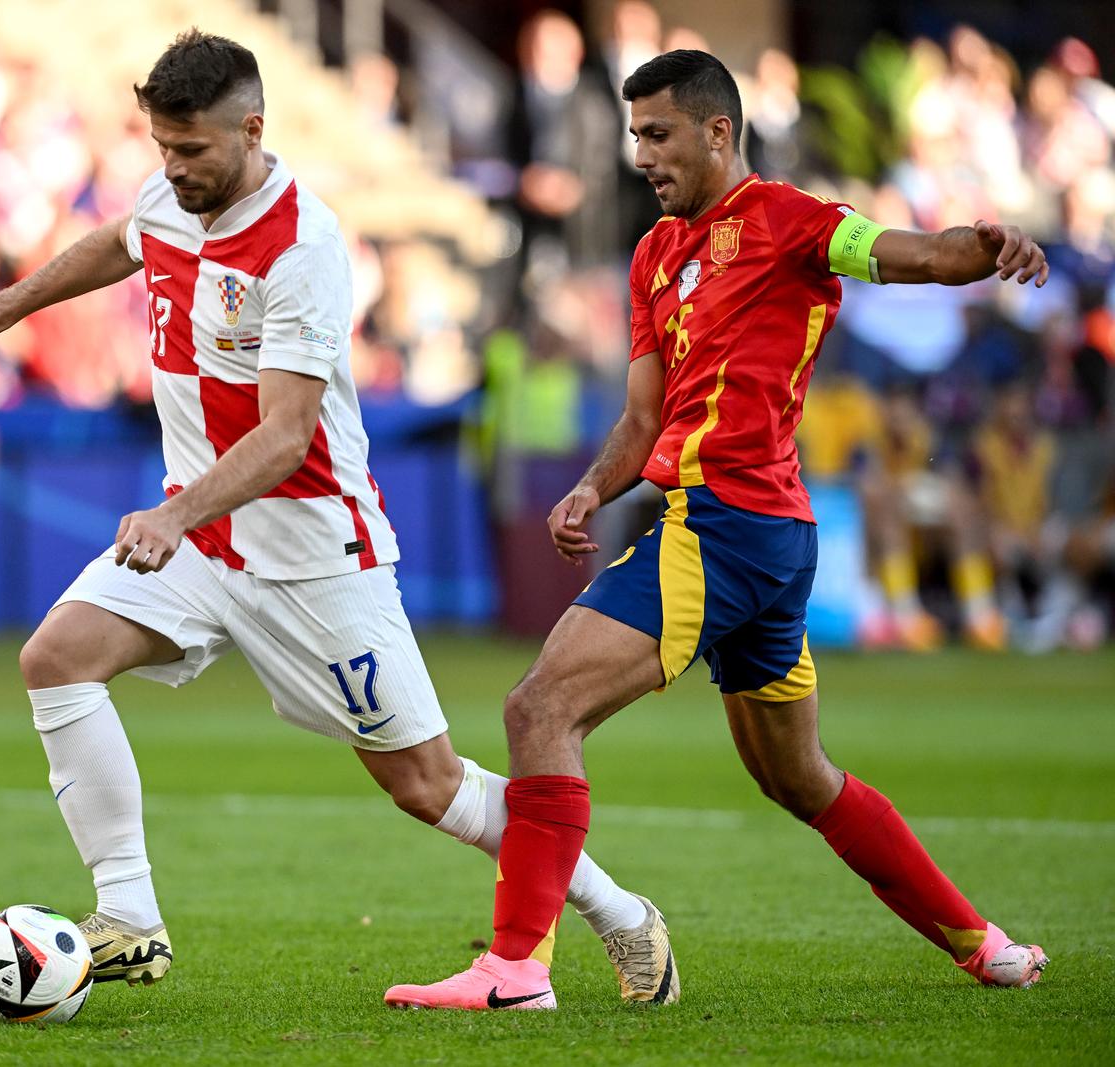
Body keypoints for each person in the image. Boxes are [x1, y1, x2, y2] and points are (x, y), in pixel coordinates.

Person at [0, 29, 677, 1002]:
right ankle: (130, 917)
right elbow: (120, 240)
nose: (174, 170)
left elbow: (285, 437)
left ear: (253, 127)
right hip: (204, 541)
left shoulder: (303, 245)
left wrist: (172, 512)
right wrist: (0, 308)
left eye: (192, 150)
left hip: (314, 557)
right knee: (55, 658)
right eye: (162, 148)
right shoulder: (168, 196)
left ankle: (621, 913)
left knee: (428, 786)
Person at [387, 50, 1050, 1012]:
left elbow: (921, 255)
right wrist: (590, 487)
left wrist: (987, 247)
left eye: (657, 135)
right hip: (764, 536)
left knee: (540, 710)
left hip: (728, 526)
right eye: (634, 137)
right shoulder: (655, 256)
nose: (642, 155)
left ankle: (516, 970)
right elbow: (644, 419)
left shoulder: (792, 222)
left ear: (717, 131)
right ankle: (984, 945)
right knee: (799, 777)